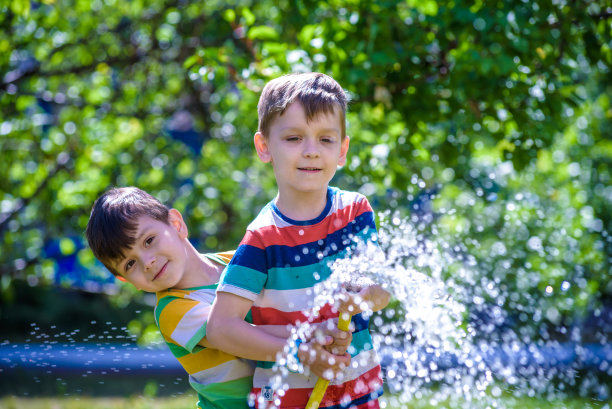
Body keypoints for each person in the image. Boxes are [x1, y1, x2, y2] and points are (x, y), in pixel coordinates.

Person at [206, 73, 391, 409]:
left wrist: (366, 298)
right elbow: (221, 329)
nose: (311, 151)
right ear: (264, 147)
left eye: (325, 139)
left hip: (358, 391)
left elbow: (382, 288)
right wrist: (300, 353)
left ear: (342, 150)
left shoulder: (354, 212)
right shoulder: (262, 239)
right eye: (293, 138)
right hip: (286, 399)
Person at [85, 186, 352, 409]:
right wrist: (311, 337)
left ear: (176, 224)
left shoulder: (233, 262)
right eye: (130, 264)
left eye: (149, 240)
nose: (148, 262)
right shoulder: (173, 310)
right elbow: (235, 334)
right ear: (124, 280)